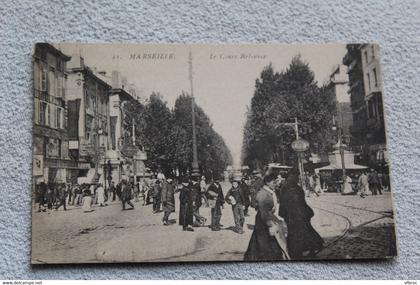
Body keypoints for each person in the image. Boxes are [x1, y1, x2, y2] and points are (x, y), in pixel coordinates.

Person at [278, 165, 324, 259]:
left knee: (300, 234)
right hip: (296, 217)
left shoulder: (289, 187)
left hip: (296, 217)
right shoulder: (292, 188)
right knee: (301, 234)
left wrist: (284, 214)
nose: (298, 178)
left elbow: (296, 203)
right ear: (292, 176)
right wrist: (307, 212)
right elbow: (297, 203)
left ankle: (303, 251)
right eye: (296, 176)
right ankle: (304, 251)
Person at [244, 172, 289, 261]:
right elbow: (263, 211)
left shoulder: (269, 192)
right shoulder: (263, 194)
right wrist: (269, 224)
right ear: (267, 182)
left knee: (261, 241)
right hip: (263, 220)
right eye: (273, 182)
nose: (275, 184)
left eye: (276, 182)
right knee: (264, 241)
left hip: (267, 218)